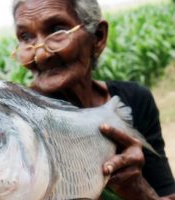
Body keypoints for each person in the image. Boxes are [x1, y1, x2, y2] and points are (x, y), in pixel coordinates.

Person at [11, 0, 175, 199]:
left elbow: (166, 192)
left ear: (98, 36)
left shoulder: (133, 101)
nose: (41, 54)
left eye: (57, 30)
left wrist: (136, 187)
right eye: (25, 37)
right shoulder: (18, 124)